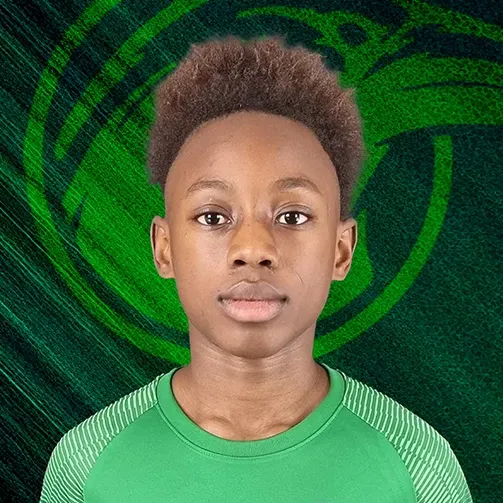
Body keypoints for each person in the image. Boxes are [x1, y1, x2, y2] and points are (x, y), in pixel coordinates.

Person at [39, 35, 473, 502]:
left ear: (341, 251)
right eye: (213, 217)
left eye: (293, 216)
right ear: (164, 249)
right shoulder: (88, 464)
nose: (252, 249)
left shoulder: (416, 466)